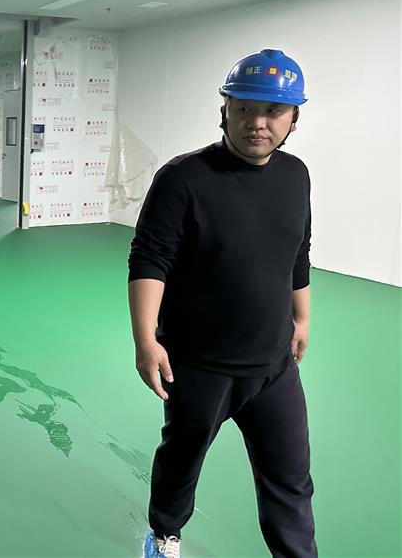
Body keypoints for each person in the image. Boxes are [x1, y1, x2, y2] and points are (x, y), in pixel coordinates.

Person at [128, 49, 316, 558]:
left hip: (274, 365)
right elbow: (150, 260)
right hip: (198, 364)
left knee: (291, 478)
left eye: (273, 111)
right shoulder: (183, 178)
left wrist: (301, 318)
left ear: (293, 118)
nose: (258, 122)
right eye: (244, 108)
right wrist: (145, 340)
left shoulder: (296, 175)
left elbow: (298, 251)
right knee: (182, 460)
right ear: (225, 110)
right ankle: (164, 532)